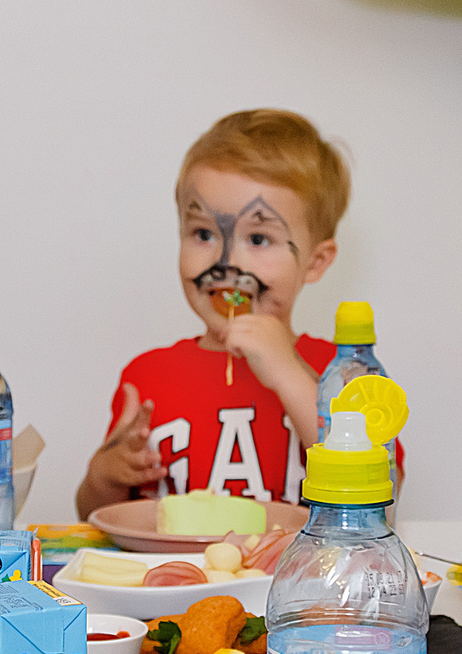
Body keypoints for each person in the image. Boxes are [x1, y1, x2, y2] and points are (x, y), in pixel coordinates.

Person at [77, 108, 396, 517]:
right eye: (203, 234)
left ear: (315, 262)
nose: (227, 263)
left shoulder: (346, 375)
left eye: (259, 238)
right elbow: (93, 516)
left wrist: (288, 374)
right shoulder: (147, 376)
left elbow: (384, 508)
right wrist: (105, 474)